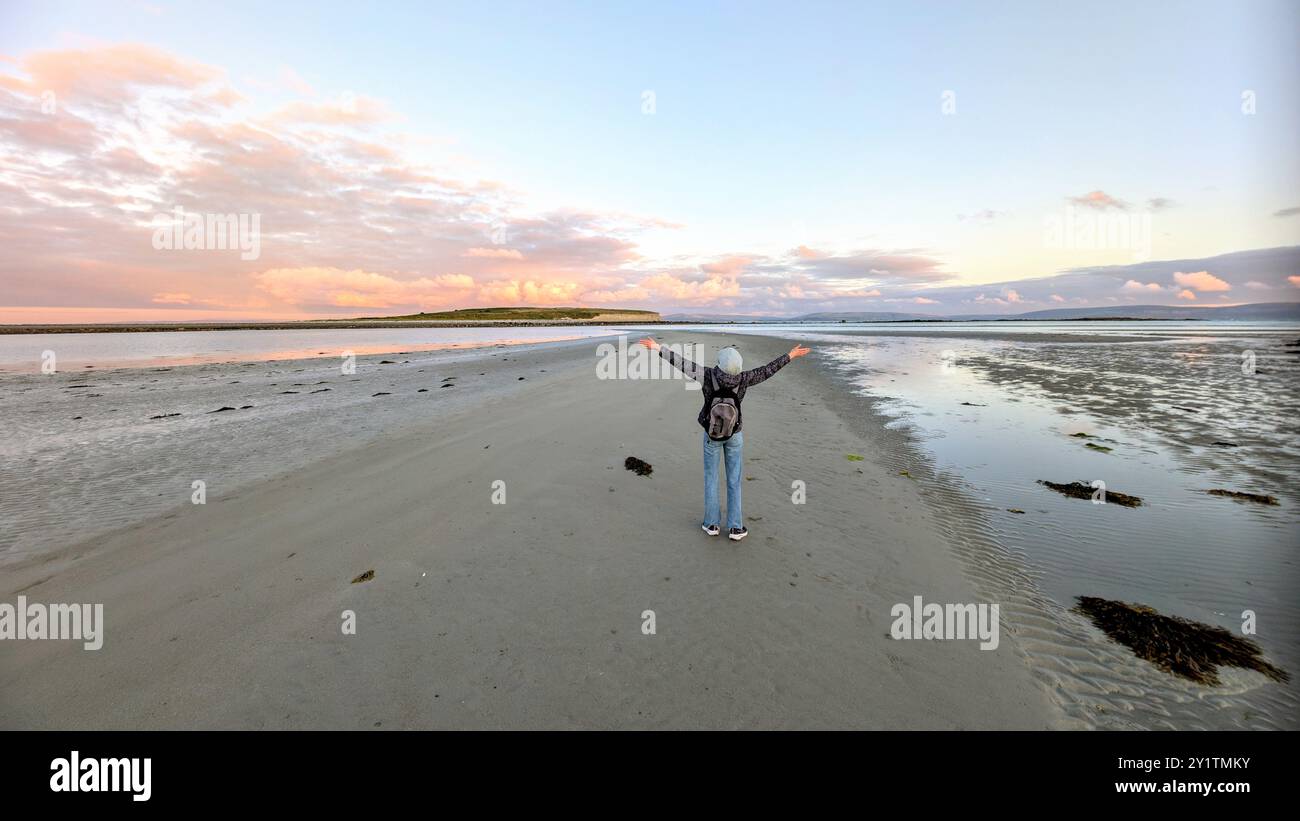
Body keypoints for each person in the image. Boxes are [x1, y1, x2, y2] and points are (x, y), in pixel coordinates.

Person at [637, 337, 812, 541]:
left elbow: (682, 363)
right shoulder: (745, 378)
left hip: (711, 435)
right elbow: (767, 370)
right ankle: (736, 528)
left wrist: (658, 348)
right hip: (734, 434)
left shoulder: (708, 375)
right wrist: (790, 355)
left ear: (720, 364)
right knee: (734, 480)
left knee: (711, 478)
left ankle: (711, 524)